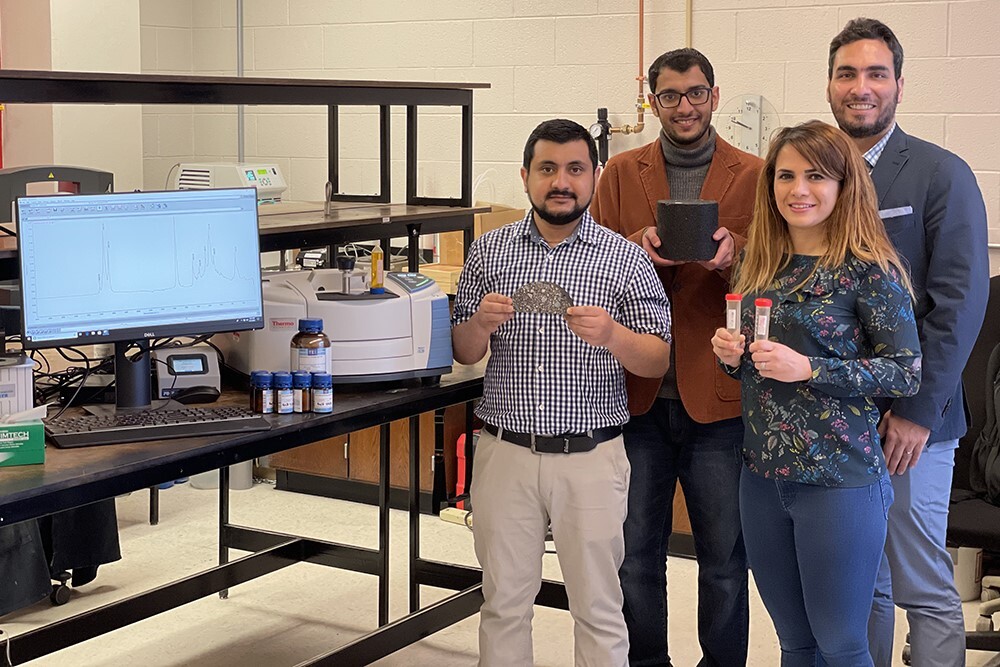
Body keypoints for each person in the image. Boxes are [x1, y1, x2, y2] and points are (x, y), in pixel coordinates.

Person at [452, 118, 672, 666]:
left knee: (599, 606)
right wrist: (479, 322)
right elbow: (463, 350)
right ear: (525, 176)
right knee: (504, 602)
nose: (561, 181)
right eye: (547, 169)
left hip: (592, 457)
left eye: (575, 169)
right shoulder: (487, 252)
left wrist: (613, 335)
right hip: (506, 453)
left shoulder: (626, 258)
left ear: (593, 176)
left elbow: (659, 358)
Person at [712, 119, 922, 665]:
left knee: (841, 644)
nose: (798, 190)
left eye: (815, 176)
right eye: (785, 176)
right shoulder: (760, 263)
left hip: (838, 481)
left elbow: (904, 372)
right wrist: (733, 359)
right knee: (795, 643)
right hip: (761, 479)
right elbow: (759, 371)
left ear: (843, 185)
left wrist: (810, 368)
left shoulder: (870, 272)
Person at [826, 18, 990, 666]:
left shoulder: (939, 173)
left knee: (920, 579)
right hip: (837, 413)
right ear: (830, 84)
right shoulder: (815, 173)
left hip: (910, 422)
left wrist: (918, 414)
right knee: (860, 580)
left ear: (899, 85)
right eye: (846, 73)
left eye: (875, 73)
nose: (860, 87)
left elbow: (958, 304)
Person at [589, 47, 761, 667]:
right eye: (669, 96)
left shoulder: (758, 174)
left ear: (715, 96)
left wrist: (732, 257)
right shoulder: (618, 173)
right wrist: (634, 251)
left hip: (719, 395)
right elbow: (590, 267)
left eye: (695, 94)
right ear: (652, 101)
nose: (683, 107)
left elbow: (778, 278)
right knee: (636, 558)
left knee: (723, 560)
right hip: (634, 396)